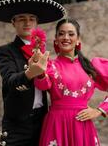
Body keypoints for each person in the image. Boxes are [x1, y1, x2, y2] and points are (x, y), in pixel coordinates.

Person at [0, 0, 65, 146]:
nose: (27, 22)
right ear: (13, 22)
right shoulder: (5, 51)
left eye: (32, 18)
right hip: (17, 124)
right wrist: (30, 73)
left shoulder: (43, 52)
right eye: (21, 18)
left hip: (42, 120)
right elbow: (10, 81)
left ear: (37, 22)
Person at [33, 17, 108, 146]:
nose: (66, 37)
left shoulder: (91, 67)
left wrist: (99, 110)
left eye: (71, 34)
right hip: (57, 125)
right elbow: (42, 85)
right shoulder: (50, 65)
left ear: (78, 39)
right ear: (56, 40)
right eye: (61, 34)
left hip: (83, 126)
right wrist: (39, 71)